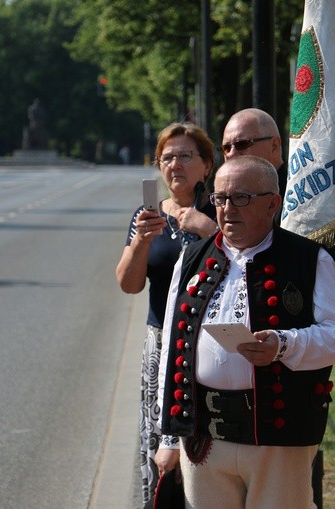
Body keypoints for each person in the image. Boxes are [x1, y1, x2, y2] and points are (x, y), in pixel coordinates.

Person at [154, 155, 335, 508]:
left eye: (241, 198)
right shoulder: (192, 257)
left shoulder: (308, 259)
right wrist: (170, 437)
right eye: (220, 198)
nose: (227, 208)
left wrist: (285, 344)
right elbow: (173, 347)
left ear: (272, 204)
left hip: (279, 438)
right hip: (205, 439)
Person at [115, 122, 219, 508]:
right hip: (161, 346)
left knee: (204, 444)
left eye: (185, 156)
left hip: (207, 341)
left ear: (206, 165)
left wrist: (208, 228)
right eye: (167, 157)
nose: (175, 164)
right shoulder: (148, 217)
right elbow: (128, 284)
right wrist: (141, 240)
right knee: (159, 446)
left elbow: (243, 261)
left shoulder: (220, 209)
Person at [220, 108, 286, 201]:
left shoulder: (301, 199)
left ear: (274, 146)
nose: (231, 154)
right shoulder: (223, 202)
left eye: (242, 144)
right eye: (226, 148)